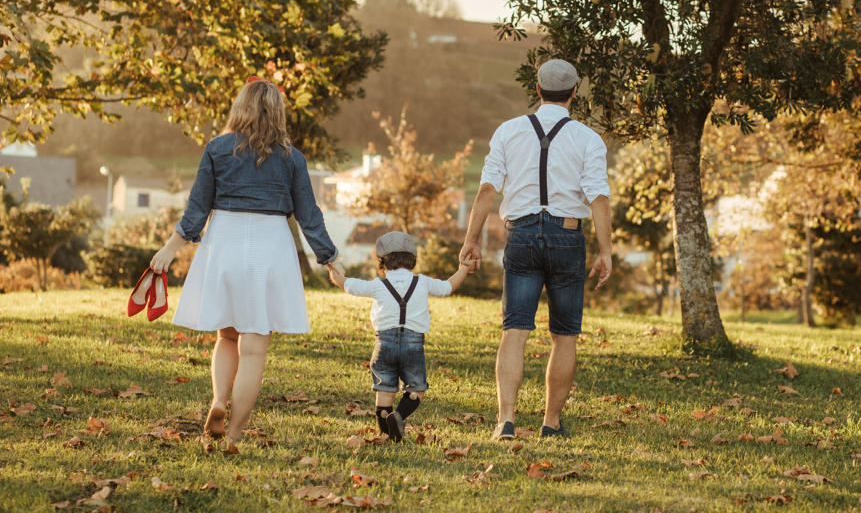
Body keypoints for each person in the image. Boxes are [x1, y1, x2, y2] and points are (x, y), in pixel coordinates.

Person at [149, 77, 342, 453]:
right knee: (254, 348)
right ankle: (234, 434)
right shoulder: (292, 157)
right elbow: (308, 215)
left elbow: (197, 207)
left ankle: (219, 400)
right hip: (270, 247)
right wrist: (331, 259)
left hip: (225, 242)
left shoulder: (218, 149)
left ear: (240, 107)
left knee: (227, 336)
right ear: (278, 112)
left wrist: (171, 248)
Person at [459, 59, 612, 441]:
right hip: (567, 236)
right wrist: (606, 251)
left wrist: (471, 240)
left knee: (515, 331)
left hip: (522, 235)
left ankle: (505, 422)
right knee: (564, 335)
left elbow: (487, 190)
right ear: (575, 92)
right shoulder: (588, 139)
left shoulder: (509, 131)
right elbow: (598, 198)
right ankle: (551, 424)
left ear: (538, 88)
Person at [328, 231, 472, 442]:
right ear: (412, 258)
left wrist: (334, 272)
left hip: (383, 344)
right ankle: (400, 415)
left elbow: (348, 284)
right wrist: (465, 268)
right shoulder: (422, 282)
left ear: (383, 261)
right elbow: (448, 287)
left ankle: (386, 434)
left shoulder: (377, 285)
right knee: (416, 388)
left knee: (384, 390)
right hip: (413, 345)